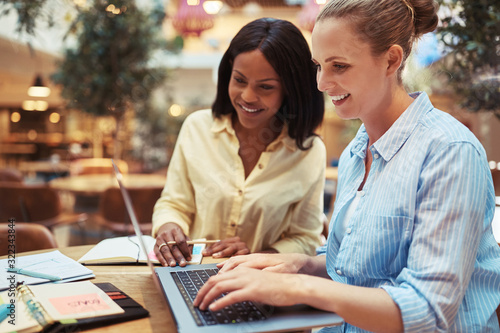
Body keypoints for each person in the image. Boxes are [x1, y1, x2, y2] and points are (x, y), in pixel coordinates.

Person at [193, 1, 500, 332]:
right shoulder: (358, 148)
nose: (322, 83)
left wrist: (297, 287)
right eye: (318, 66)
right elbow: (350, 266)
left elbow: (427, 309)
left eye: (339, 66)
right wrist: (299, 265)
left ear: (391, 60)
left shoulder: (449, 152)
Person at [153, 18, 326, 267]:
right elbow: (174, 203)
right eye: (240, 80)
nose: (247, 97)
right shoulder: (197, 127)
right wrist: (169, 226)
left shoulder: (308, 151)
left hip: (258, 281)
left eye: (265, 87)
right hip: (190, 272)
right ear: (227, 76)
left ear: (291, 89)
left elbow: (306, 238)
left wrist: (259, 256)